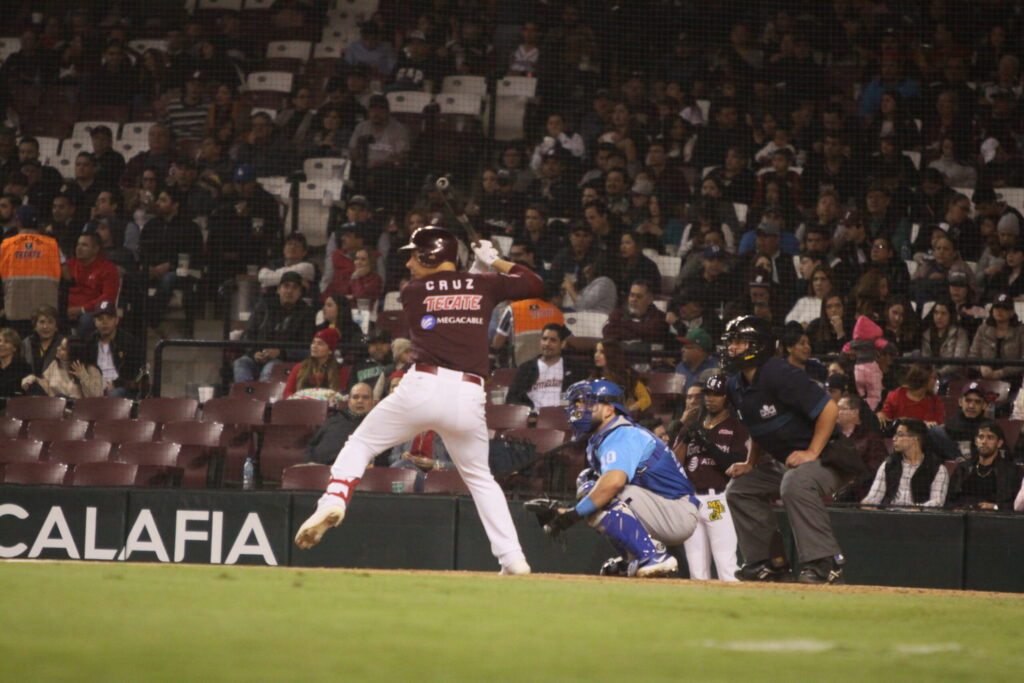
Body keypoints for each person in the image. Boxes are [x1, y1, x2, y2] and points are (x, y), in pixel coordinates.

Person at [295, 226, 544, 576]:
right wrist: (495, 262)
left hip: (423, 385)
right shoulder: (484, 284)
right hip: (469, 395)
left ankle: (334, 499)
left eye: (415, 255)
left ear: (432, 256)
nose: (409, 262)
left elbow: (452, 296)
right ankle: (513, 558)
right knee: (480, 479)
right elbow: (532, 284)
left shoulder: (412, 292)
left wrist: (475, 268)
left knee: (361, 443)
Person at [722, 315, 861, 584]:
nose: (732, 348)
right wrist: (751, 463)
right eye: (731, 342)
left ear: (759, 346)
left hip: (831, 456)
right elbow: (758, 426)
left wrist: (811, 452)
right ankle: (768, 563)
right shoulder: (734, 384)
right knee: (741, 489)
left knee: (794, 483)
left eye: (740, 342)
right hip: (789, 462)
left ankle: (825, 564)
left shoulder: (778, 372)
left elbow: (830, 409)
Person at [539, 380, 698, 577]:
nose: (579, 409)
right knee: (589, 481)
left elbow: (613, 483)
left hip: (676, 511)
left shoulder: (622, 434)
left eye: (587, 403)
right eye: (577, 403)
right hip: (661, 507)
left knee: (598, 490)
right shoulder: (606, 437)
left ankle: (652, 556)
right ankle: (634, 559)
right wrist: (563, 512)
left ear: (609, 410)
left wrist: (572, 515)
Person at [676, 373, 745, 581]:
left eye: (717, 394)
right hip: (692, 500)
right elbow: (675, 463)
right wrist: (686, 438)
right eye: (708, 393)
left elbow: (731, 465)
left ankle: (736, 609)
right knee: (697, 569)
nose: (710, 398)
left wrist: (706, 442)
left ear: (727, 397)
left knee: (726, 565)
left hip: (719, 499)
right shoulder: (693, 426)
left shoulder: (736, 427)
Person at [233, 272, 316, 383]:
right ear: (278, 289)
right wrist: (254, 352)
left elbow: (306, 347)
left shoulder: (306, 313)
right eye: (286, 286)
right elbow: (248, 334)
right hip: (258, 356)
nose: (289, 291)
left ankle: (262, 398)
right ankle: (247, 396)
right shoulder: (264, 306)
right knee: (241, 363)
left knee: (272, 367)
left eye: (295, 288)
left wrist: (280, 352)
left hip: (286, 361)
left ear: (300, 293)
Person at [0, 205, 61, 338]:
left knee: (18, 349)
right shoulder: (52, 244)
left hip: (15, 310)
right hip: (47, 312)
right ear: (39, 223)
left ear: (18, 222)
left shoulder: (5, 245)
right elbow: (67, 274)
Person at [861, 418, 949, 509]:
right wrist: (866, 505)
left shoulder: (937, 469)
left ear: (915, 438)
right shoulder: (889, 465)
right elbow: (874, 496)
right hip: (889, 516)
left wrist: (916, 510)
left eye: (900, 435)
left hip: (919, 518)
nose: (894, 439)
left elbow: (937, 502)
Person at [505, 323, 586, 410]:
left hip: (564, 419)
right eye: (544, 339)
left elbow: (583, 397)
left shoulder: (575, 368)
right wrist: (528, 414)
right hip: (534, 418)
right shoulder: (526, 368)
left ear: (562, 344)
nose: (547, 344)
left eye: (553, 340)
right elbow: (512, 398)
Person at [947, 420, 1021, 511]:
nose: (984, 441)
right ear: (975, 441)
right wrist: (957, 509)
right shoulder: (963, 468)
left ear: (999, 443)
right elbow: (949, 499)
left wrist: (994, 507)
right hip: (963, 518)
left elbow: (1016, 505)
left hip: (994, 520)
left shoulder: (1011, 471)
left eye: (990, 438)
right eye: (981, 437)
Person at [65, 231, 121, 337]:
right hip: (67, 309)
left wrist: (81, 309)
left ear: (96, 249)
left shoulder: (108, 268)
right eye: (78, 244)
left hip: (92, 311)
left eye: (84, 245)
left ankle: (82, 352)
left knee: (87, 321)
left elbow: (108, 297)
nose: (79, 248)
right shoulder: (69, 265)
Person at [304, 383, 377, 464]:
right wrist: (309, 463)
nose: (360, 401)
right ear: (349, 401)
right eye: (355, 397)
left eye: (365, 397)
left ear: (373, 402)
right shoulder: (333, 419)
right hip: (318, 468)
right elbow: (312, 444)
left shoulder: (378, 424)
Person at [834, 394, 888, 502]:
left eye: (841, 409)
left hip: (857, 494)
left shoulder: (871, 439)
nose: (836, 412)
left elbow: (874, 471)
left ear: (855, 412)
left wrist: (850, 484)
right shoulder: (830, 436)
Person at [90, 301, 145, 399]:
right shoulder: (89, 342)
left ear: (117, 320)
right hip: (94, 386)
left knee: (114, 394)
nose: (104, 323)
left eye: (109, 318)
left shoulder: (129, 342)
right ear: (95, 322)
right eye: (100, 319)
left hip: (121, 389)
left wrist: (116, 384)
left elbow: (136, 374)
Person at [968, 293, 1024, 388]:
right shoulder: (983, 329)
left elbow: (1022, 361)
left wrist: (1001, 373)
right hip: (984, 376)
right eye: (997, 308)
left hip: (1012, 378)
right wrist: (981, 367)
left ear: (1011, 312)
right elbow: (972, 356)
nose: (999, 311)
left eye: (1004, 308)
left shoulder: (1021, 331)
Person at [21, 337, 103, 399]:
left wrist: (83, 376)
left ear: (74, 353)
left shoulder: (91, 370)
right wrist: (33, 379)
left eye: (63, 348)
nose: (58, 348)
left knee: (60, 397)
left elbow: (97, 397)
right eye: (60, 345)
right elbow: (46, 385)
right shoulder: (55, 364)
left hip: (79, 410)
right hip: (55, 408)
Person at [282, 328, 351, 400]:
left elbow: (341, 396)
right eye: (313, 342)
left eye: (320, 344)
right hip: (301, 406)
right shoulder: (300, 367)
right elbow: (287, 392)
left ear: (330, 351)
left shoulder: (340, 370)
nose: (314, 346)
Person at [592, 339, 650, 413]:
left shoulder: (628, 377)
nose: (596, 355)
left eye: (602, 352)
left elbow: (645, 399)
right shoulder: (594, 376)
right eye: (596, 351)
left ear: (612, 354)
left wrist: (629, 409)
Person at [878, 364, 945, 427]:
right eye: (934, 378)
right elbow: (886, 417)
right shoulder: (896, 395)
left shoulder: (935, 400)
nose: (936, 381)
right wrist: (880, 415)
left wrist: (933, 425)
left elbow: (940, 424)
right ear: (924, 378)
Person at [21, 305, 65, 377]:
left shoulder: (63, 344)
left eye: (50, 322)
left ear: (56, 326)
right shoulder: (26, 343)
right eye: (42, 322)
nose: (45, 326)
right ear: (35, 326)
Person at [674, 327, 719, 391]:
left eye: (687, 347)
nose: (682, 350)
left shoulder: (715, 367)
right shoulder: (681, 367)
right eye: (683, 347)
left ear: (700, 350)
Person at [0, 327, 32, 399]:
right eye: (0, 341)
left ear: (15, 347)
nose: (1, 344)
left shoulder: (24, 368)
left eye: (6, 341)